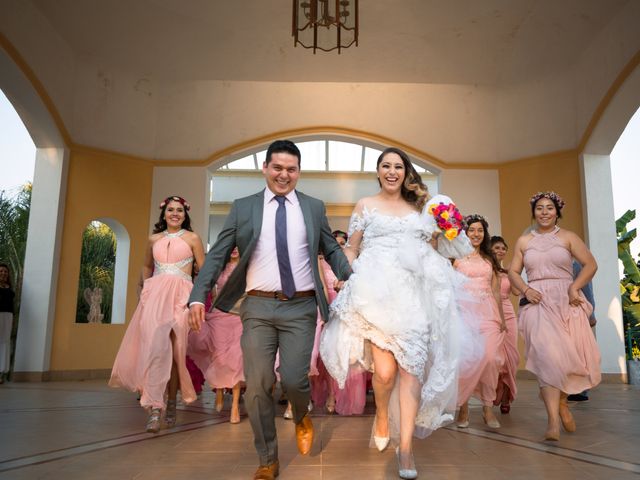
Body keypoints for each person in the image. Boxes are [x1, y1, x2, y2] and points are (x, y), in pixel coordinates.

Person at [188, 140, 351, 480]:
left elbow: (331, 248)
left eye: (291, 169)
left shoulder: (313, 207)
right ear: (265, 168)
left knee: (294, 378)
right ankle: (268, 458)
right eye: (277, 167)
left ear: (299, 172)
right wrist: (197, 296)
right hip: (258, 306)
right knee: (259, 383)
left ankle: (302, 414)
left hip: (302, 306)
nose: (283, 175)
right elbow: (218, 255)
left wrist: (350, 275)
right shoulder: (243, 207)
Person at [320, 147, 478, 480]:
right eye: (386, 166)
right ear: (378, 171)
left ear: (406, 172)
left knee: (411, 373)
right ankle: (380, 414)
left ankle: (405, 448)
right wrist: (343, 271)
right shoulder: (365, 205)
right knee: (386, 373)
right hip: (376, 293)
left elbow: (439, 248)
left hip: (414, 296)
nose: (392, 171)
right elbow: (352, 245)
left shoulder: (423, 208)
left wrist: (450, 227)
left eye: (398, 166)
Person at [508, 191, 601, 441]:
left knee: (570, 360)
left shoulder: (569, 237)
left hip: (567, 300)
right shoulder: (524, 241)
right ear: (534, 212)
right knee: (548, 358)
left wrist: (574, 287)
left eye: (549, 208)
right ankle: (551, 421)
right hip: (537, 303)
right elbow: (513, 271)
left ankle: (562, 404)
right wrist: (527, 289)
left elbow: (591, 264)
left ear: (557, 212)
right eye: (540, 208)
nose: (544, 212)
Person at [110, 196, 205, 433]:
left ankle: (172, 401)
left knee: (175, 353)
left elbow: (203, 270)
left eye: (179, 210)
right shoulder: (153, 239)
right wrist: (146, 286)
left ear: (185, 214)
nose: (175, 213)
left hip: (182, 296)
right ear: (163, 214)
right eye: (171, 210)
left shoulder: (193, 238)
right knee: (155, 350)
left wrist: (198, 299)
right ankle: (155, 408)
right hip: (155, 298)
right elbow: (145, 265)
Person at [454, 215, 507, 429]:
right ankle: (464, 407)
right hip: (463, 313)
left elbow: (495, 290)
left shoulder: (489, 258)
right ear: (464, 233)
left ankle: (487, 407)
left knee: (491, 357)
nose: (476, 234)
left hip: (488, 313)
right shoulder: (454, 257)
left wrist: (502, 317)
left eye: (480, 230)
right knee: (466, 360)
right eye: (471, 230)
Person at [188, 248, 245, 424]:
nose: (235, 249)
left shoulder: (247, 267)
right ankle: (219, 391)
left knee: (236, 361)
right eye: (232, 246)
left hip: (240, 318)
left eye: (238, 245)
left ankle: (235, 405)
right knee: (220, 359)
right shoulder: (218, 268)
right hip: (219, 317)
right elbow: (210, 292)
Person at [490, 235, 520, 414]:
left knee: (512, 358)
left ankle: (507, 397)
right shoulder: (486, 270)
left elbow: (516, 292)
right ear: (490, 250)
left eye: (503, 248)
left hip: (509, 314)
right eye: (497, 248)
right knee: (496, 358)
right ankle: (496, 391)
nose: (501, 251)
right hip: (491, 313)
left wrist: (513, 275)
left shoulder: (507, 272)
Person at [0, 263, 14, 384]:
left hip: (8, 315)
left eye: (5, 271)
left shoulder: (9, 287)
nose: (3, 273)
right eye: (1, 271)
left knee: (5, 341)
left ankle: (2, 372)